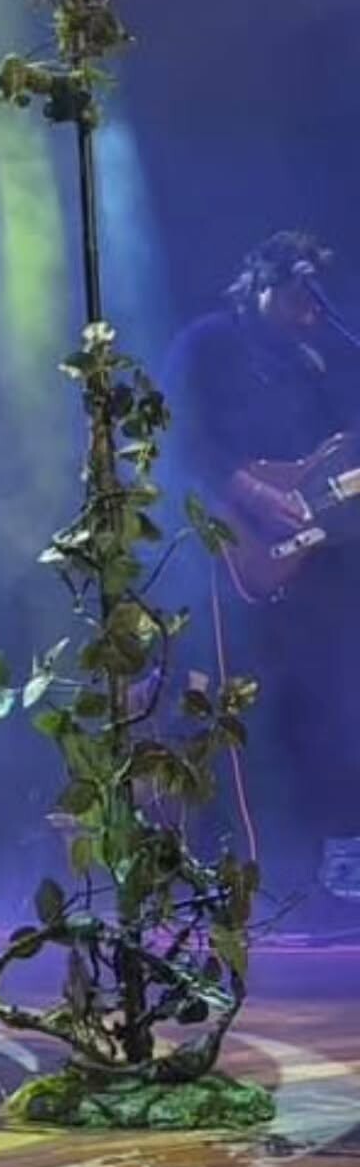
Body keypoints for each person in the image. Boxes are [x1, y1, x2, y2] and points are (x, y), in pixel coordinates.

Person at [166, 230, 360, 898]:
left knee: (333, 696)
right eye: (298, 297)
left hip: (317, 556)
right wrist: (250, 491)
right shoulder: (207, 344)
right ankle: (224, 858)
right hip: (223, 552)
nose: (309, 311)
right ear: (260, 285)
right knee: (231, 706)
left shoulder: (319, 356)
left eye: (316, 300)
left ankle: (339, 851)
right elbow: (176, 435)